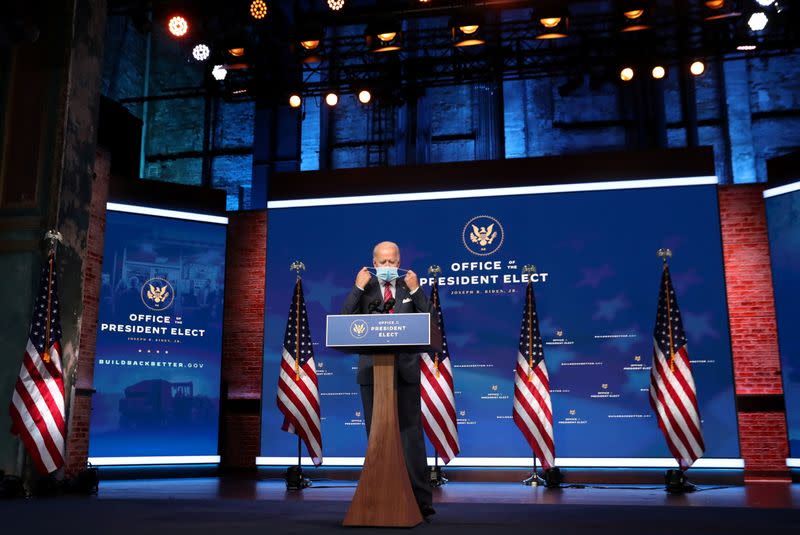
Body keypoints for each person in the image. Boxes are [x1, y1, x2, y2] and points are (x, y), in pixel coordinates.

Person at [340, 241, 435, 519]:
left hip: (404, 373)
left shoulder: (409, 288)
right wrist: (357, 287)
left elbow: (430, 323)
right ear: (373, 262)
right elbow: (345, 321)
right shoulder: (365, 289)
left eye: (391, 262)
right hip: (372, 374)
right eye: (381, 262)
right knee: (377, 439)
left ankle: (421, 504)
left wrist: (418, 290)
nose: (386, 267)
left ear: (399, 261)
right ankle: (378, 499)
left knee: (411, 439)